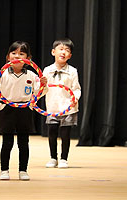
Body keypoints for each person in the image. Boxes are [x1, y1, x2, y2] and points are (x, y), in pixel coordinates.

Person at [0, 41, 47, 180]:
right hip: (7, 109)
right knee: (7, 142)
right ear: (8, 57)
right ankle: (4, 170)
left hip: (24, 109)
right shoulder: (1, 74)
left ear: (28, 59)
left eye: (21, 53)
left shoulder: (32, 75)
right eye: (14, 53)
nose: (17, 56)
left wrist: (43, 84)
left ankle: (23, 170)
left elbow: (40, 92)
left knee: (23, 142)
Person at [43, 38, 81, 168]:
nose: (63, 52)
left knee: (65, 133)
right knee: (52, 132)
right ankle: (53, 157)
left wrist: (75, 98)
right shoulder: (47, 70)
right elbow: (42, 88)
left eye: (67, 50)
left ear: (70, 55)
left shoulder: (73, 71)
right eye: (61, 49)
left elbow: (76, 88)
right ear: (53, 52)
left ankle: (64, 158)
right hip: (53, 106)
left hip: (68, 107)